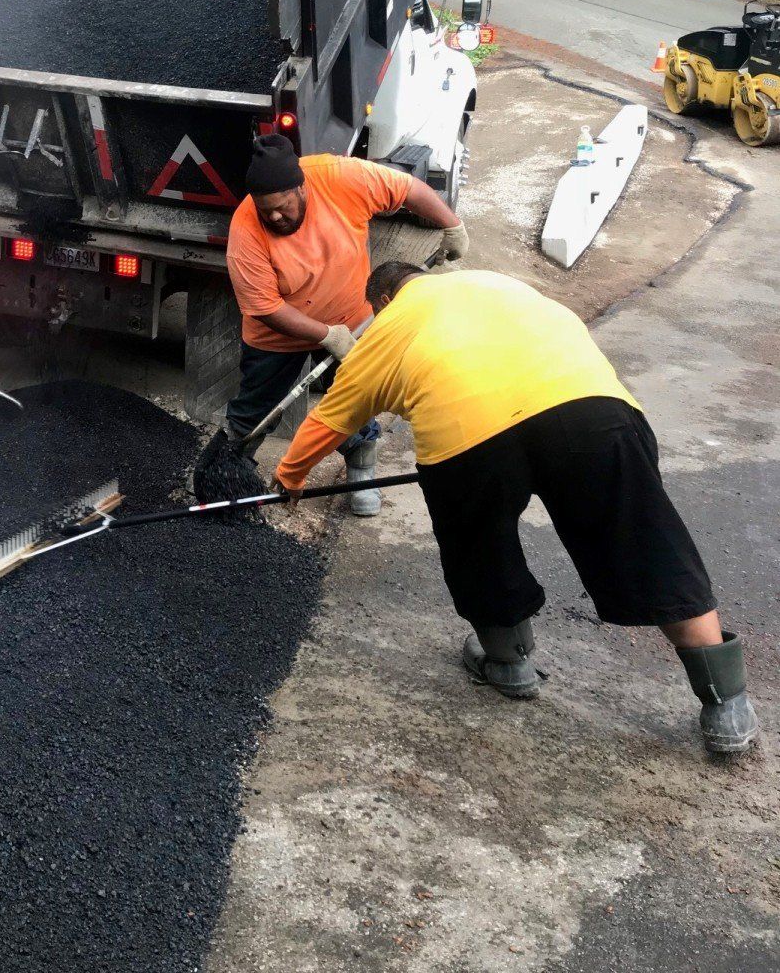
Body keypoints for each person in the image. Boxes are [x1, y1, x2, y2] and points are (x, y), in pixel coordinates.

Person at [271, 260, 758, 756]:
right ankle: (728, 705)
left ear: (382, 302)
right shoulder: (497, 282)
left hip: (470, 440)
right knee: (646, 539)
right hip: (593, 410)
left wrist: (288, 477)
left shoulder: (387, 327)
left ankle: (508, 661)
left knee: (478, 542)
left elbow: (331, 419)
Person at [224, 134, 466, 516]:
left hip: (351, 322)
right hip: (277, 333)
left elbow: (409, 189)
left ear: (301, 187)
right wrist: (325, 335)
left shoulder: (340, 178)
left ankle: (361, 467)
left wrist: (451, 225)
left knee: (355, 398)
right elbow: (265, 308)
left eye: (282, 207)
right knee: (254, 407)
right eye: (264, 209)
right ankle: (229, 474)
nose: (273, 217)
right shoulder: (246, 229)